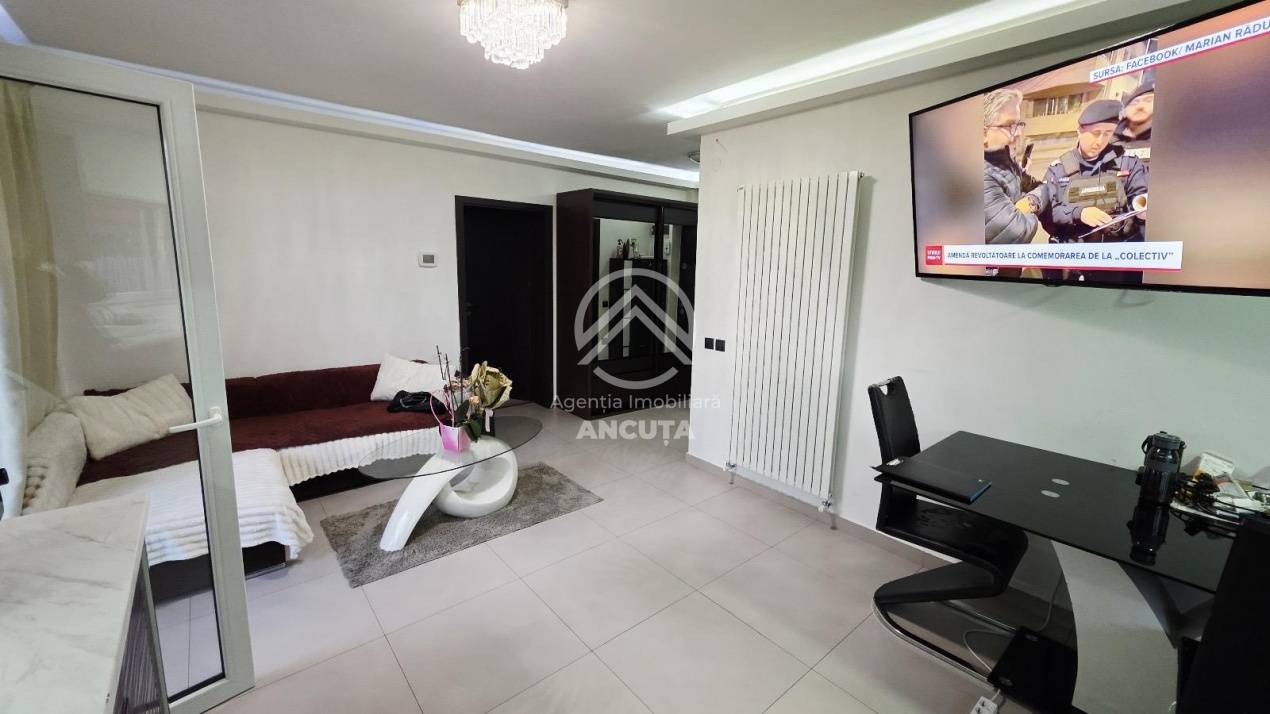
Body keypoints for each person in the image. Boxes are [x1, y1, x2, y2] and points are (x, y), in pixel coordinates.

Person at [1040, 98, 1148, 285]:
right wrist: (1079, 213)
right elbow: (1048, 212)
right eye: (1095, 133)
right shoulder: (1058, 169)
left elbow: (1140, 196)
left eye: (1107, 133)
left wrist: (1142, 208)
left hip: (1118, 263)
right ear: (1079, 130)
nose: (1100, 141)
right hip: (1072, 262)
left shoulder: (1128, 162)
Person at [1116, 78, 1154, 162]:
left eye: (1148, 100)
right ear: (1126, 108)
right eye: (1135, 102)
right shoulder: (1108, 138)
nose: (1140, 106)